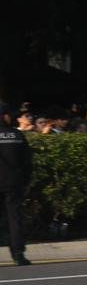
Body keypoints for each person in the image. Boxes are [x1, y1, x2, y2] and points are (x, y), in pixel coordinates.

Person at [0, 103, 33, 265]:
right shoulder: (17, 135)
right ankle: (18, 254)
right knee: (15, 218)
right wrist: (26, 181)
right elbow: (27, 162)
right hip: (13, 184)